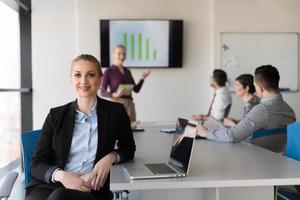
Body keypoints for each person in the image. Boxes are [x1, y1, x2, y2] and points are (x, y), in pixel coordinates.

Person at [26, 54, 136, 200]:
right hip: (54, 184)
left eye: (90, 75)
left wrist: (111, 157)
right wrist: (63, 176)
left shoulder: (116, 112)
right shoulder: (56, 115)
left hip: (92, 189)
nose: (83, 81)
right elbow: (36, 164)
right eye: (77, 75)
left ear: (100, 78)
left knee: (60, 197)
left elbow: (129, 148)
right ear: (72, 79)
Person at [196, 65, 296, 142]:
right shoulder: (289, 110)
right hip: (276, 158)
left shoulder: (262, 109)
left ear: (260, 87)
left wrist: (205, 132)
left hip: (253, 159)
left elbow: (232, 136)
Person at [100, 45, 151, 122]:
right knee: (116, 131)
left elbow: (136, 89)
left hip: (130, 106)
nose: (122, 56)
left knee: (131, 131)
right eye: (119, 54)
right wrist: (115, 95)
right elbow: (102, 92)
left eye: (124, 54)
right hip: (116, 105)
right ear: (113, 54)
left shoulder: (127, 71)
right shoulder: (109, 71)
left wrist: (143, 78)